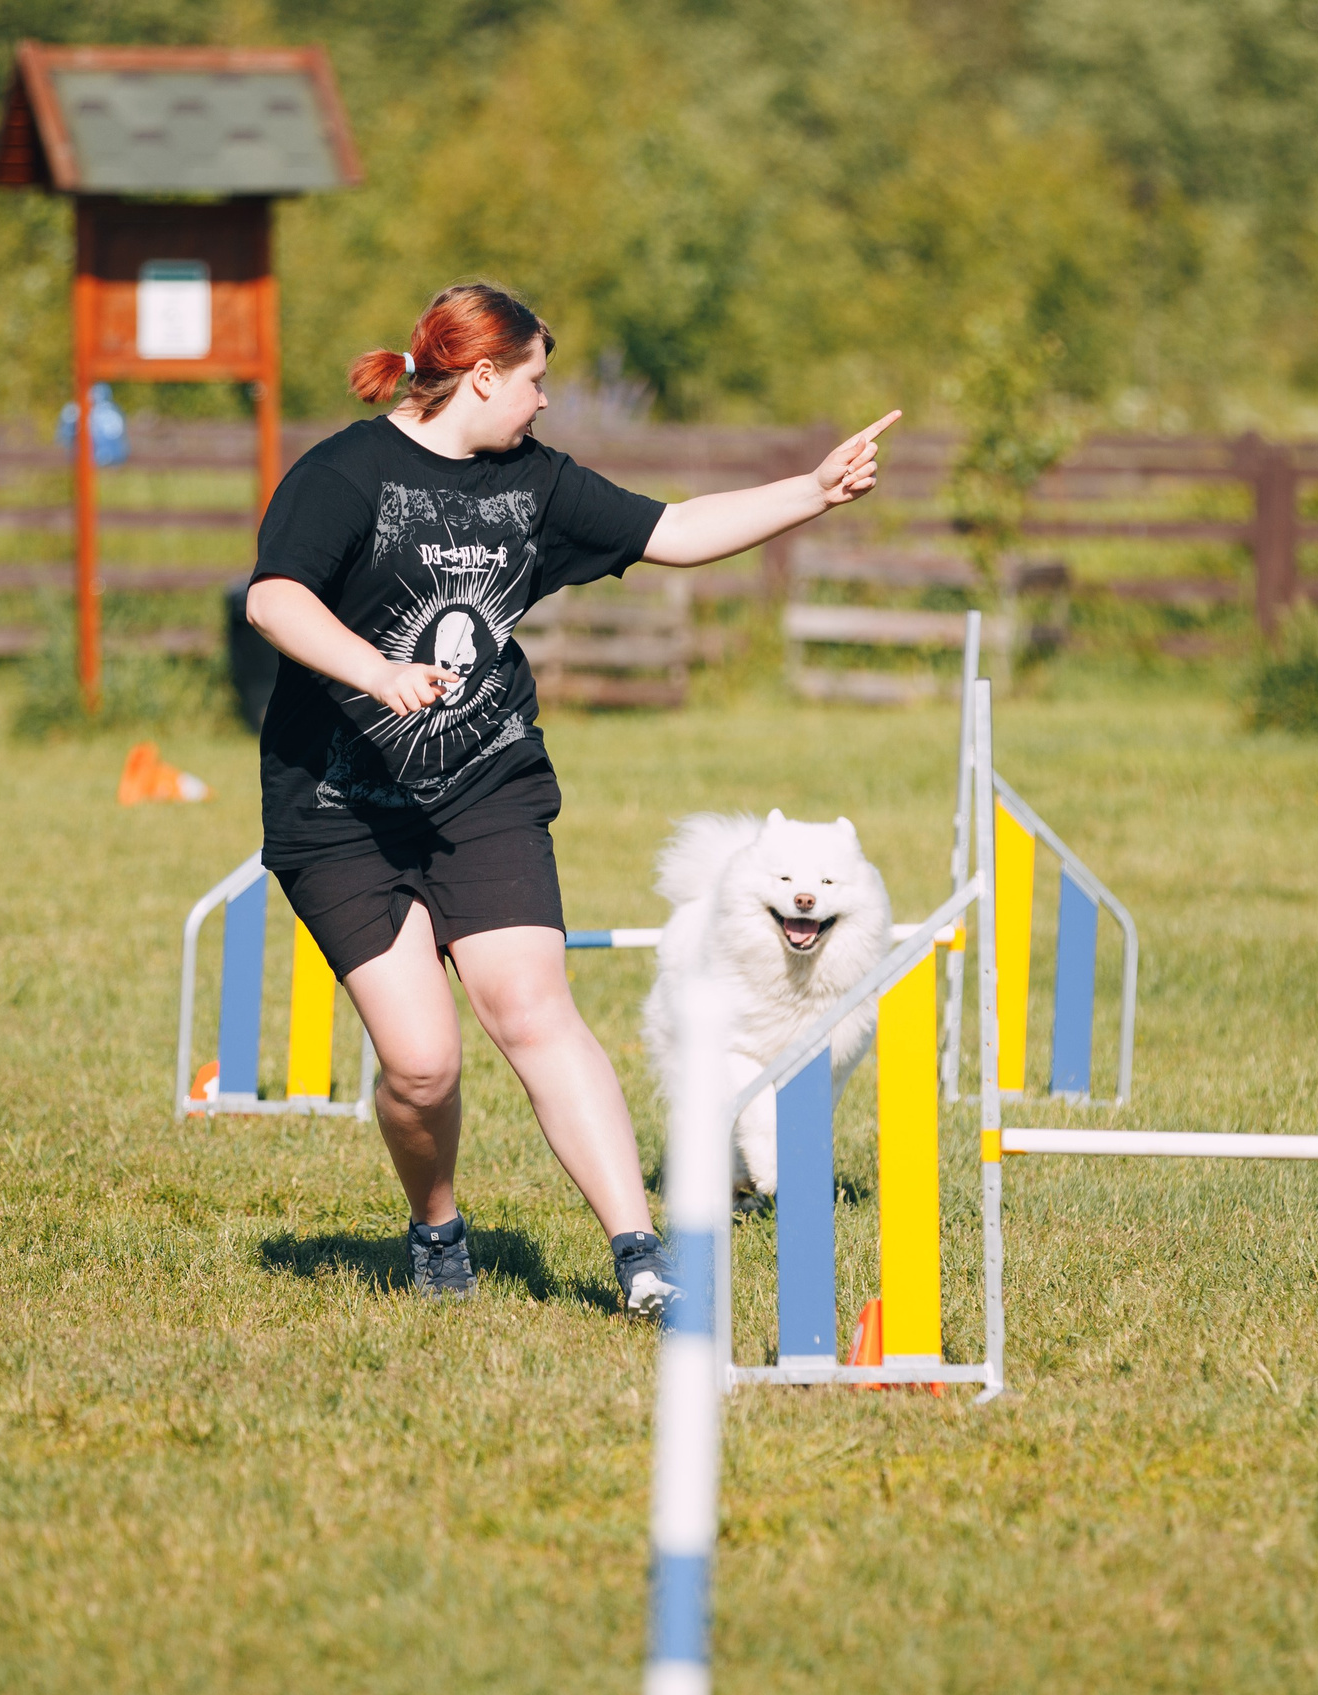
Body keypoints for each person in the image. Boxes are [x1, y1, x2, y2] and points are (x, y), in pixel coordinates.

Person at [245, 280, 899, 1315]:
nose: (546, 401)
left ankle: (640, 1252)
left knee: (535, 1011)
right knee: (420, 1066)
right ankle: (436, 1226)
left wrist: (810, 492)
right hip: (340, 806)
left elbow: (673, 529)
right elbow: (275, 596)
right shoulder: (343, 473)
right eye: (536, 380)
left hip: (483, 787)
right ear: (482, 374)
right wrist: (377, 674)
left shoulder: (534, 485)